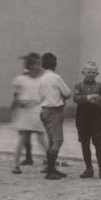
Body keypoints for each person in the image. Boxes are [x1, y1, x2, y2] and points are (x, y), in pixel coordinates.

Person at [7, 52, 46, 174]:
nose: (39, 67)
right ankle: (16, 165)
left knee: (41, 138)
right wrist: (19, 104)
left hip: (37, 111)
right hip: (25, 112)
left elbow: (44, 96)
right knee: (22, 139)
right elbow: (17, 96)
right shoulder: (21, 80)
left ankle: (50, 163)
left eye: (40, 64)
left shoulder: (42, 80)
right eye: (37, 64)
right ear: (30, 66)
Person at [38, 52, 74, 180]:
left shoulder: (41, 79)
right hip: (55, 110)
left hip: (44, 110)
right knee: (58, 140)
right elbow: (67, 92)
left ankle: (50, 167)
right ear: (55, 64)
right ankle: (51, 170)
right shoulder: (56, 78)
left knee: (51, 139)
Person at [73, 61, 101, 179]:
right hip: (82, 117)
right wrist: (90, 97)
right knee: (84, 142)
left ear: (97, 74)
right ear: (83, 73)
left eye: (94, 72)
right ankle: (88, 168)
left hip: (97, 117)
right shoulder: (78, 86)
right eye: (89, 72)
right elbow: (76, 98)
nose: (91, 74)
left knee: (98, 143)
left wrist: (94, 100)